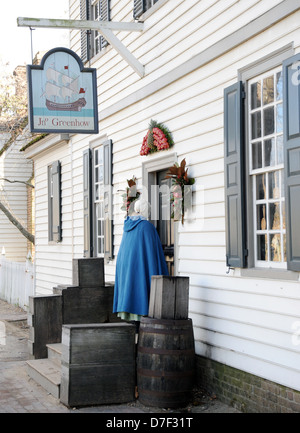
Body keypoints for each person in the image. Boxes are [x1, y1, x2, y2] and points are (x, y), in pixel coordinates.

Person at [113, 199, 168, 324]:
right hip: (140, 266)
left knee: (131, 288)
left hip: (127, 266)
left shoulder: (127, 226)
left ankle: (133, 322)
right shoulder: (146, 226)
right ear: (145, 210)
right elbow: (153, 252)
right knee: (140, 288)